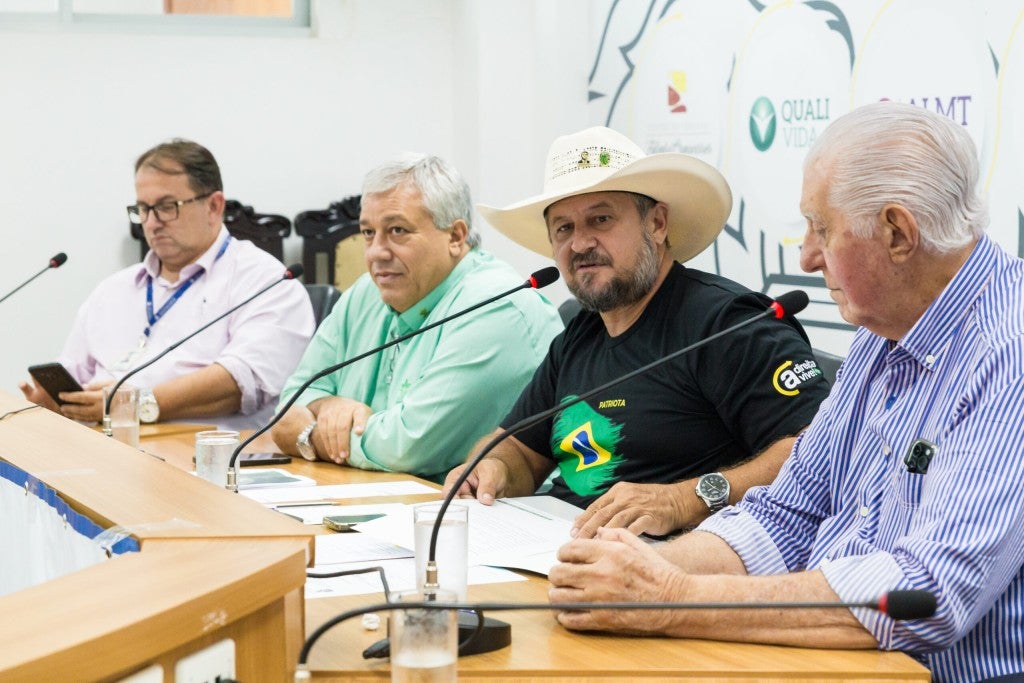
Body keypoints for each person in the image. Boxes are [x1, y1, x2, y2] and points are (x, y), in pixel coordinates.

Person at [548, 103, 1024, 683]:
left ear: (898, 233)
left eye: (821, 228)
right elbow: (786, 512)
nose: (806, 256)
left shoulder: (1008, 350)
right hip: (826, 659)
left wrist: (670, 596)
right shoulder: (883, 329)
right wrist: (637, 569)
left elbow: (926, 594)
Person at [444, 126, 829, 538]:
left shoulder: (729, 324)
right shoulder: (578, 334)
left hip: (674, 569)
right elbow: (520, 451)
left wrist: (685, 499)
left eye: (601, 219)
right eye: (563, 228)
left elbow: (819, 450)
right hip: (551, 548)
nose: (579, 244)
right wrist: (491, 469)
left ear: (658, 224)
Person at [270, 153, 563, 482]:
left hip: (477, 516)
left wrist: (308, 435)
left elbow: (407, 446)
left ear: (455, 236)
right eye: (368, 233)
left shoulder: (497, 305)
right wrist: (329, 407)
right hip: (374, 496)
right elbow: (293, 400)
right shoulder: (366, 292)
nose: (376, 252)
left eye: (397, 231)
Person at [19, 139, 315, 430]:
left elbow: (241, 382)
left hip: (205, 460)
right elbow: (74, 372)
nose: (151, 222)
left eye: (166, 207)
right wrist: (58, 401)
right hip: (106, 449)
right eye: (143, 209)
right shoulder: (113, 290)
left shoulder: (266, 281)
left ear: (213, 206)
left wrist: (137, 403)